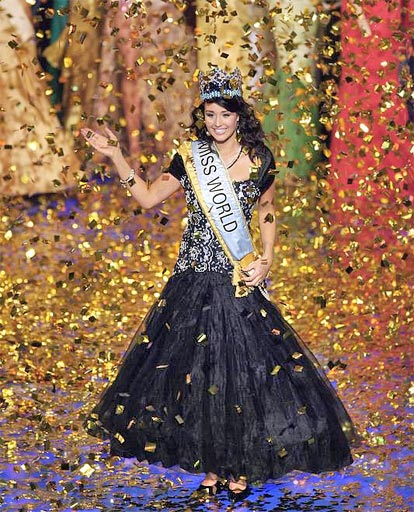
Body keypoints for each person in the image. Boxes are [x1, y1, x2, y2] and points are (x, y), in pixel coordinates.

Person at [81, 67, 356, 502]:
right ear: (203, 116)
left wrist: (267, 258)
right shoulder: (190, 158)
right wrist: (116, 155)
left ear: (238, 115)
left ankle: (240, 465)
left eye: (225, 114)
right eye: (210, 114)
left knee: (242, 375)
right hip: (192, 279)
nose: (217, 122)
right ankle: (211, 466)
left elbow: (266, 210)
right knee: (199, 375)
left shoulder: (260, 158)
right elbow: (148, 196)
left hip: (236, 278)